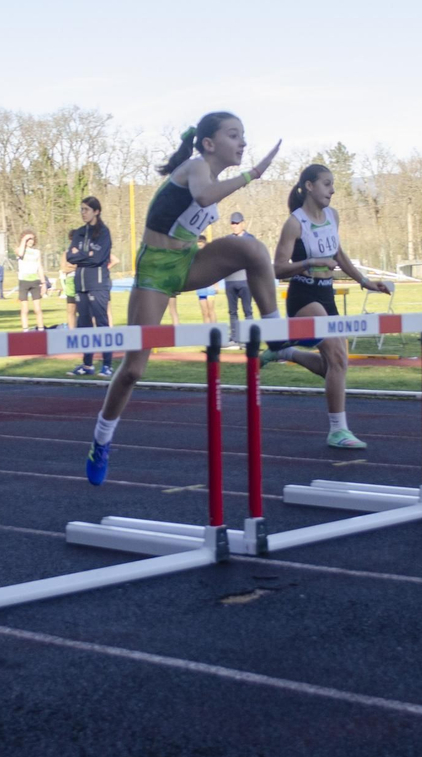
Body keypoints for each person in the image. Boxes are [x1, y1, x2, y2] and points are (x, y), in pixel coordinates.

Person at [85, 113, 281, 485]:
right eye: (234, 135)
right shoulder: (195, 167)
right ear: (209, 143)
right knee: (132, 370)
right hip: (156, 271)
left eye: (244, 135)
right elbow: (204, 195)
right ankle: (101, 439)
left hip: (189, 261)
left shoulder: (213, 175)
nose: (242, 142)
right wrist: (253, 173)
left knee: (253, 250)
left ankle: (276, 333)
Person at [261, 163, 393, 450]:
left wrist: (364, 280)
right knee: (337, 355)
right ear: (309, 186)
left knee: (334, 365)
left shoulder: (333, 216)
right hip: (303, 297)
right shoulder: (295, 223)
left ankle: (285, 351)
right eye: (326, 183)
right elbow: (277, 268)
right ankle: (338, 430)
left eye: (333, 184)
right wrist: (310, 263)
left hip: (327, 294)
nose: (332, 190)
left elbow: (339, 254)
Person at [66, 196, 115, 377]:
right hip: (81, 285)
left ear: (96, 211)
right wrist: (86, 255)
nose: (83, 213)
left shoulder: (104, 232)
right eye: (81, 209)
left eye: (86, 209)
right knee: (84, 324)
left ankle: (107, 365)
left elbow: (98, 258)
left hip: (98, 284)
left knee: (102, 324)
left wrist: (81, 255)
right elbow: (70, 257)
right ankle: (87, 365)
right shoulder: (79, 232)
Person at [223, 213, 254, 343]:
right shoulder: (227, 240)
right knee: (232, 311)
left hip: (245, 280)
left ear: (243, 223)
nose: (235, 226)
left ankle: (249, 337)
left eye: (237, 223)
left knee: (247, 310)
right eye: (233, 223)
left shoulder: (250, 239)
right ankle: (234, 337)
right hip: (230, 280)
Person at [15, 232, 46, 332]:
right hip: (24, 281)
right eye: (28, 239)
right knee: (25, 309)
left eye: (32, 239)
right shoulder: (19, 249)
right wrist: (24, 239)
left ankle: (41, 329)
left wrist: (43, 282)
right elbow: (20, 253)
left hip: (35, 281)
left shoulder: (37, 252)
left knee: (37, 308)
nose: (30, 241)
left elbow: (39, 266)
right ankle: (25, 330)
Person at [194, 235, 220, 324]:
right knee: (204, 312)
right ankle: (207, 331)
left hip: (210, 286)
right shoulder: (195, 256)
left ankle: (215, 330)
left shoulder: (210, 255)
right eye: (198, 244)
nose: (199, 246)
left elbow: (215, 270)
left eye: (201, 244)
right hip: (200, 287)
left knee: (211, 310)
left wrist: (216, 284)